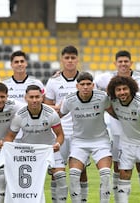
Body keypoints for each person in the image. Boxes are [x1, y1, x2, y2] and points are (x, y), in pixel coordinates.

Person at [94, 50, 140, 202]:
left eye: (126, 61)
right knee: (121, 170)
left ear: (131, 63)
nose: (123, 64)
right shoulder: (106, 78)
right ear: (115, 63)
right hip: (120, 133)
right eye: (120, 61)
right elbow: (87, 84)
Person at [0, 84, 65, 202]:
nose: (34, 100)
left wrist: (58, 144)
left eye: (37, 97)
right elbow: (10, 136)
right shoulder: (20, 115)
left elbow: (60, 134)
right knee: (27, 183)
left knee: (61, 177)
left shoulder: (51, 113)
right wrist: (4, 144)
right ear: (26, 98)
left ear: (42, 97)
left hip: (49, 148)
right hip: (28, 152)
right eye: (31, 97)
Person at [60, 72, 114, 203]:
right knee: (73, 175)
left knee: (106, 173)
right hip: (79, 142)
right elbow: (58, 115)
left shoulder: (103, 98)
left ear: (93, 85)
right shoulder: (69, 100)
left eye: (88, 84)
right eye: (82, 84)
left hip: (101, 141)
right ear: (77, 86)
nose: (85, 87)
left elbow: (115, 112)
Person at [107, 76, 140, 203]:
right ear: (114, 92)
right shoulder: (114, 101)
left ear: (131, 89)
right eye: (118, 90)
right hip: (127, 143)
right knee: (124, 174)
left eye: (125, 89)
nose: (122, 92)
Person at [44, 45, 87, 202]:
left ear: (77, 59)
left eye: (73, 58)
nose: (70, 61)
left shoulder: (85, 80)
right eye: (67, 58)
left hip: (80, 133)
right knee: (57, 171)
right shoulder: (53, 81)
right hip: (59, 132)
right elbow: (47, 107)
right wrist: (59, 107)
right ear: (62, 60)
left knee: (81, 170)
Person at [3, 50, 45, 141]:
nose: (19, 64)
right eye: (16, 62)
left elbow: (44, 104)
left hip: (33, 131)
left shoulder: (37, 83)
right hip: (11, 131)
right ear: (11, 65)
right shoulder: (5, 85)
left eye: (22, 61)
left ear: (26, 63)